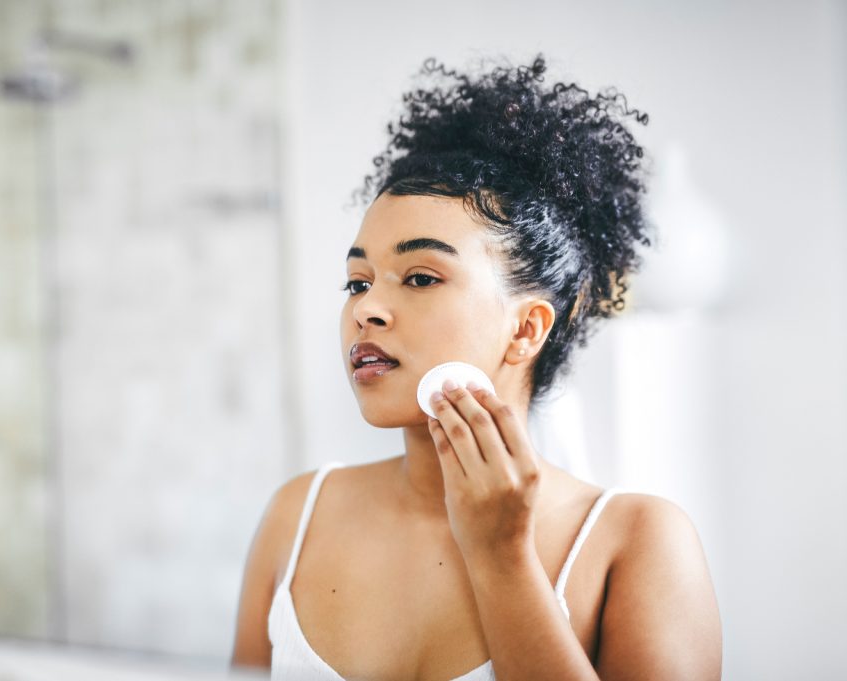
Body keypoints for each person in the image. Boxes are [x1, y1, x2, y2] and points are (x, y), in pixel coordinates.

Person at [231, 54, 722, 680]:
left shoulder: (640, 543)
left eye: (420, 277)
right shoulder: (295, 516)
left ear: (526, 329)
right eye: (356, 283)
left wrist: (502, 557)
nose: (368, 310)